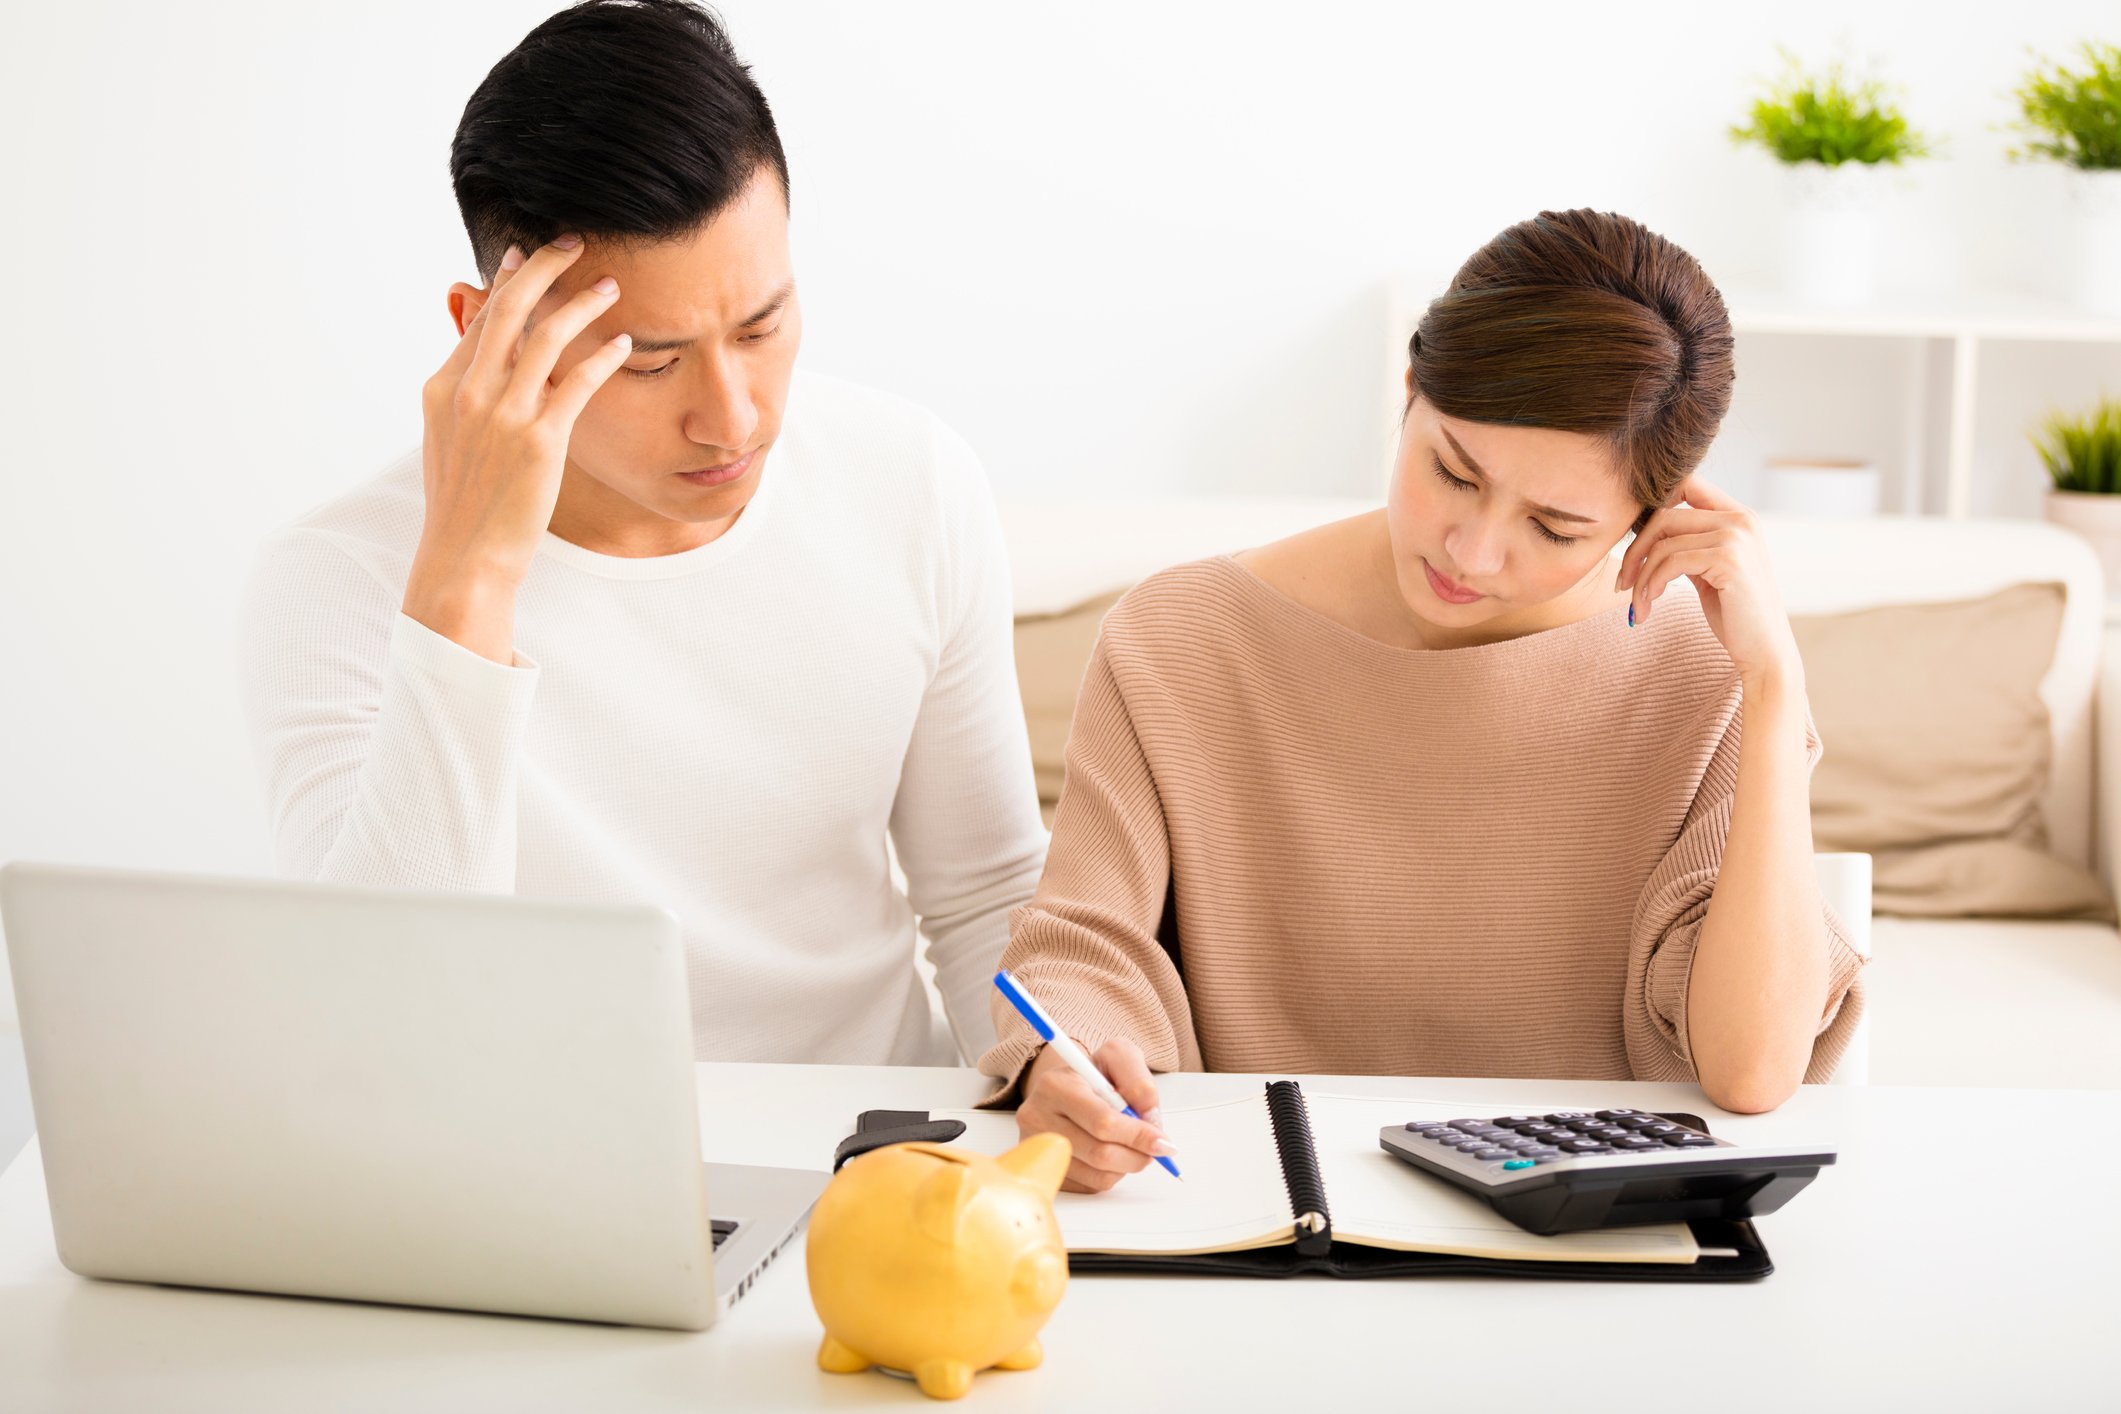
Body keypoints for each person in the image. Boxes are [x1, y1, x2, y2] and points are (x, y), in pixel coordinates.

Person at [985, 209, 1867, 1192]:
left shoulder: (1702, 675)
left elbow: (1751, 1070)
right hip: (1264, 1214)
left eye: (1555, 527)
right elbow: (1088, 948)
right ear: (1409, 390)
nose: (1472, 553)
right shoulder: (1181, 638)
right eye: (1452, 471)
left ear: (1651, 520)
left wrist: (1773, 689)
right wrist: (1071, 1065)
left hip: (1585, 1241)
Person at [238, 0, 1046, 1066]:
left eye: (761, 327)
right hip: (535, 1153)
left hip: (872, 1143)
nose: (734, 419)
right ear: (490, 334)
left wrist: (1049, 1062)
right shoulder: (336, 580)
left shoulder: (912, 483)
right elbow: (384, 1028)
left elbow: (986, 894)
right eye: (651, 362)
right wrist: (469, 579)